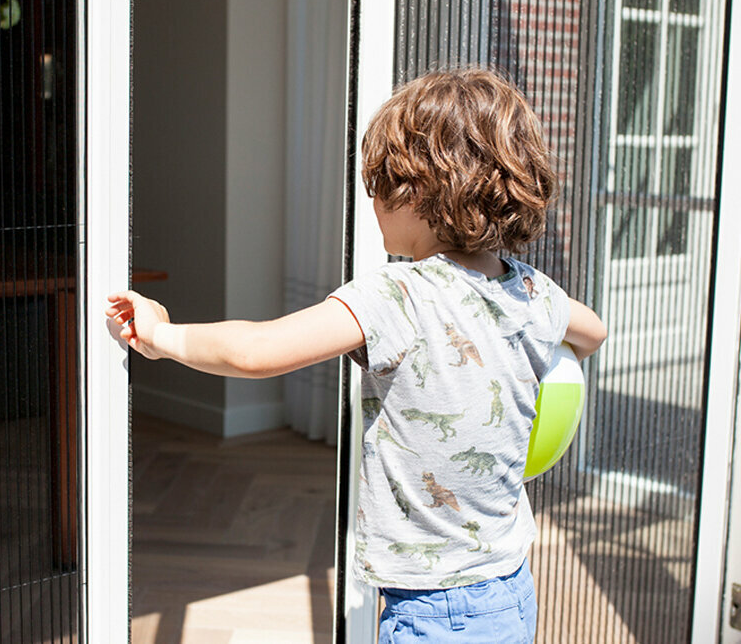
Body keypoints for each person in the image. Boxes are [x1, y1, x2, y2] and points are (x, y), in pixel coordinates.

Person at [105, 67, 606, 643]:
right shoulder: (532, 291)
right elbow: (593, 332)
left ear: (417, 191)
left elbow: (258, 351)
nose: (371, 200)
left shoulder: (398, 296)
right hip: (509, 590)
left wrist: (163, 335)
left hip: (434, 611)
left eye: (378, 184)